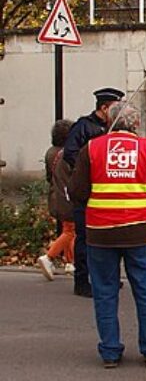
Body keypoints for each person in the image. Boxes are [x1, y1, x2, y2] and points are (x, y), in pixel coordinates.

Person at [68, 101, 146, 368]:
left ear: (109, 121)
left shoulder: (91, 149)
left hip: (101, 232)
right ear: (136, 123)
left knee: (105, 292)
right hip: (138, 231)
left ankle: (110, 352)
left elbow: (78, 192)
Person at [62, 87, 125, 298]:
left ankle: (107, 278)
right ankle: (82, 280)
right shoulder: (83, 127)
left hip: (108, 193)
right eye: (116, 108)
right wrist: (91, 167)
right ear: (104, 107)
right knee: (85, 237)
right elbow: (70, 154)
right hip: (87, 191)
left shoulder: (114, 128)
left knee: (108, 237)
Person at [37, 119, 75, 280]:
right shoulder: (67, 154)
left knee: (68, 228)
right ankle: (49, 257)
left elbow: (48, 177)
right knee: (71, 231)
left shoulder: (50, 152)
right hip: (67, 197)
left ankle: (69, 262)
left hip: (55, 196)